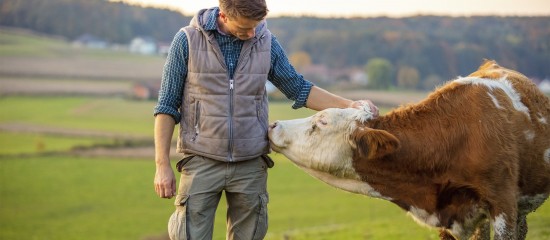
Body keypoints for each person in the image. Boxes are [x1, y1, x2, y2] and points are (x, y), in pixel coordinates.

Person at [153, 0, 379, 239]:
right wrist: (162, 166)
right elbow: (167, 106)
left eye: (256, 26)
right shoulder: (186, 41)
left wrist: (349, 105)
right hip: (201, 161)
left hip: (251, 163)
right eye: (244, 29)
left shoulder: (266, 41)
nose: (252, 34)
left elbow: (299, 88)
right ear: (224, 16)